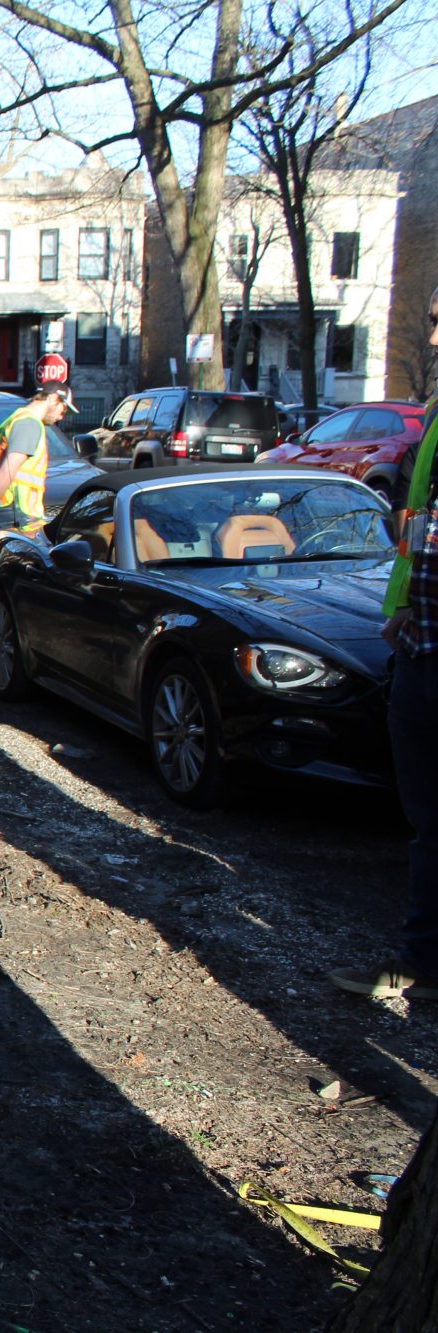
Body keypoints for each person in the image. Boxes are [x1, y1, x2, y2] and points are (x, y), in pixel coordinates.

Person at [331, 285, 438, 1000]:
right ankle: (421, 961)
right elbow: (420, 527)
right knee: (428, 821)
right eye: (430, 321)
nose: (431, 339)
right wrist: (402, 610)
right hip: (423, 640)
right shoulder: (434, 419)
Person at [0, 386, 70, 659]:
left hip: (7, 510)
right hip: (16, 515)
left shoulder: (13, 421)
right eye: (62, 408)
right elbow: (10, 467)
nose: (62, 415)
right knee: (0, 584)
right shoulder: (29, 425)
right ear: (52, 399)